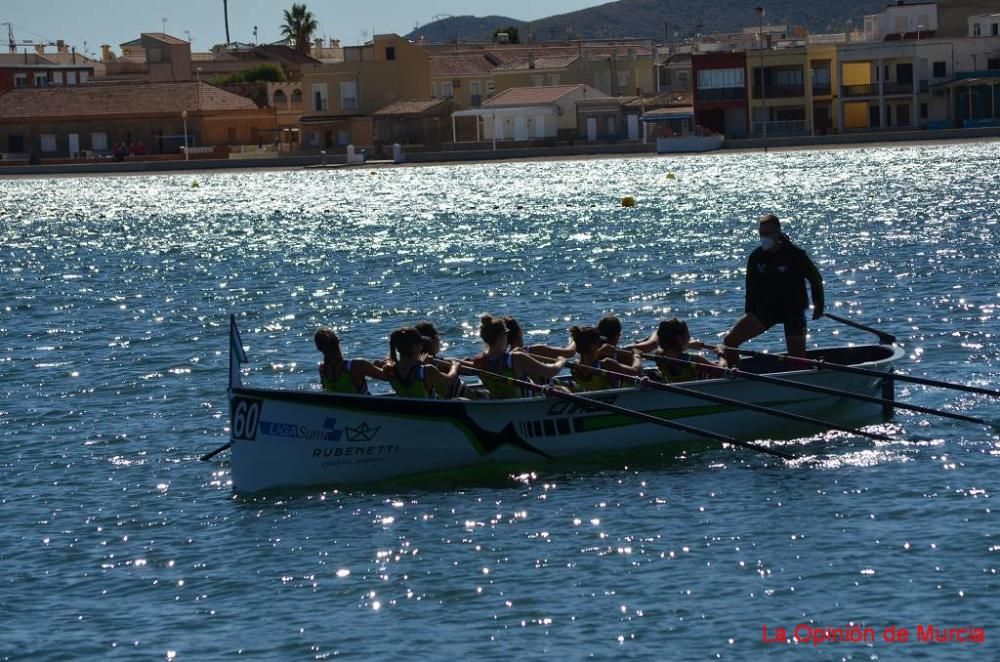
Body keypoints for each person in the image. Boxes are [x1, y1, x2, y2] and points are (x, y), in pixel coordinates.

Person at [723, 214, 824, 366]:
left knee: (797, 360)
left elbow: (815, 279)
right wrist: (749, 312)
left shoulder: (796, 255)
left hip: (793, 311)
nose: (764, 237)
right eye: (761, 234)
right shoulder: (756, 257)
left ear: (777, 233)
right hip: (767, 310)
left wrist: (818, 305)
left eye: (767, 234)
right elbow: (750, 287)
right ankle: (736, 375)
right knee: (730, 341)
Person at [473, 314, 566, 399]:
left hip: (500, 406)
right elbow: (550, 372)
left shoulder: (478, 361)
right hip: (526, 405)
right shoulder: (516, 358)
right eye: (506, 333)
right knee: (562, 390)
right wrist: (560, 361)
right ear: (501, 336)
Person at [382, 327, 459, 398]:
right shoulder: (428, 370)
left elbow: (394, 363)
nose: (422, 347)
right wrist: (454, 366)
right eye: (420, 344)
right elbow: (449, 381)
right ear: (415, 348)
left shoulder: (388, 369)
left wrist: (420, 364)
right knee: (461, 399)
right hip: (429, 410)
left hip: (406, 409)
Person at [568, 325, 642, 392]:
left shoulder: (574, 369)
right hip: (615, 398)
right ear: (593, 346)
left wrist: (599, 353)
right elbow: (636, 372)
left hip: (594, 394)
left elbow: (589, 362)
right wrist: (636, 356)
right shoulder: (607, 364)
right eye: (598, 342)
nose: (600, 345)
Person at [314, 328, 384, 395]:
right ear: (337, 343)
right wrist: (387, 364)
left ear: (319, 349)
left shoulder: (323, 369)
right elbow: (388, 377)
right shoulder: (357, 365)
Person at [650, 318, 717, 383]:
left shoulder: (659, 356)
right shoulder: (694, 359)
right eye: (688, 334)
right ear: (679, 339)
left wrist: (688, 345)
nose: (689, 337)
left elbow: (667, 347)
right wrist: (721, 353)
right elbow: (723, 371)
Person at [503, 315, 575, 360]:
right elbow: (570, 352)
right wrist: (574, 338)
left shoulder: (504, 357)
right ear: (520, 332)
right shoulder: (536, 350)